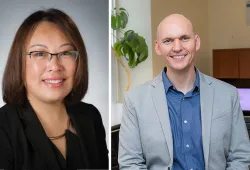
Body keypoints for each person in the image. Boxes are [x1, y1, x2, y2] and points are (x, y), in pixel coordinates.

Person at [118, 14, 250, 170]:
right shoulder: (135, 100)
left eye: (185, 38)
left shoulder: (228, 95)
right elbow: (130, 163)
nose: (177, 47)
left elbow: (240, 157)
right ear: (158, 47)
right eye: (168, 41)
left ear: (197, 42)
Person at [0, 8, 108, 170]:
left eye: (65, 53)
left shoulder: (90, 117)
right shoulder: (4, 128)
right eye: (39, 54)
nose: (55, 66)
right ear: (19, 62)